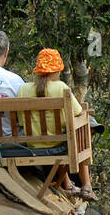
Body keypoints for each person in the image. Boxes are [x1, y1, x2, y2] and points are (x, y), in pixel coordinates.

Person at [18, 48, 95, 201]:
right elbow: (79, 112)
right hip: (58, 144)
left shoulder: (24, 89)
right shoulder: (61, 87)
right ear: (57, 71)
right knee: (80, 133)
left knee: (66, 141)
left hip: (32, 146)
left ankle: (67, 183)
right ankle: (87, 185)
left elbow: (21, 121)